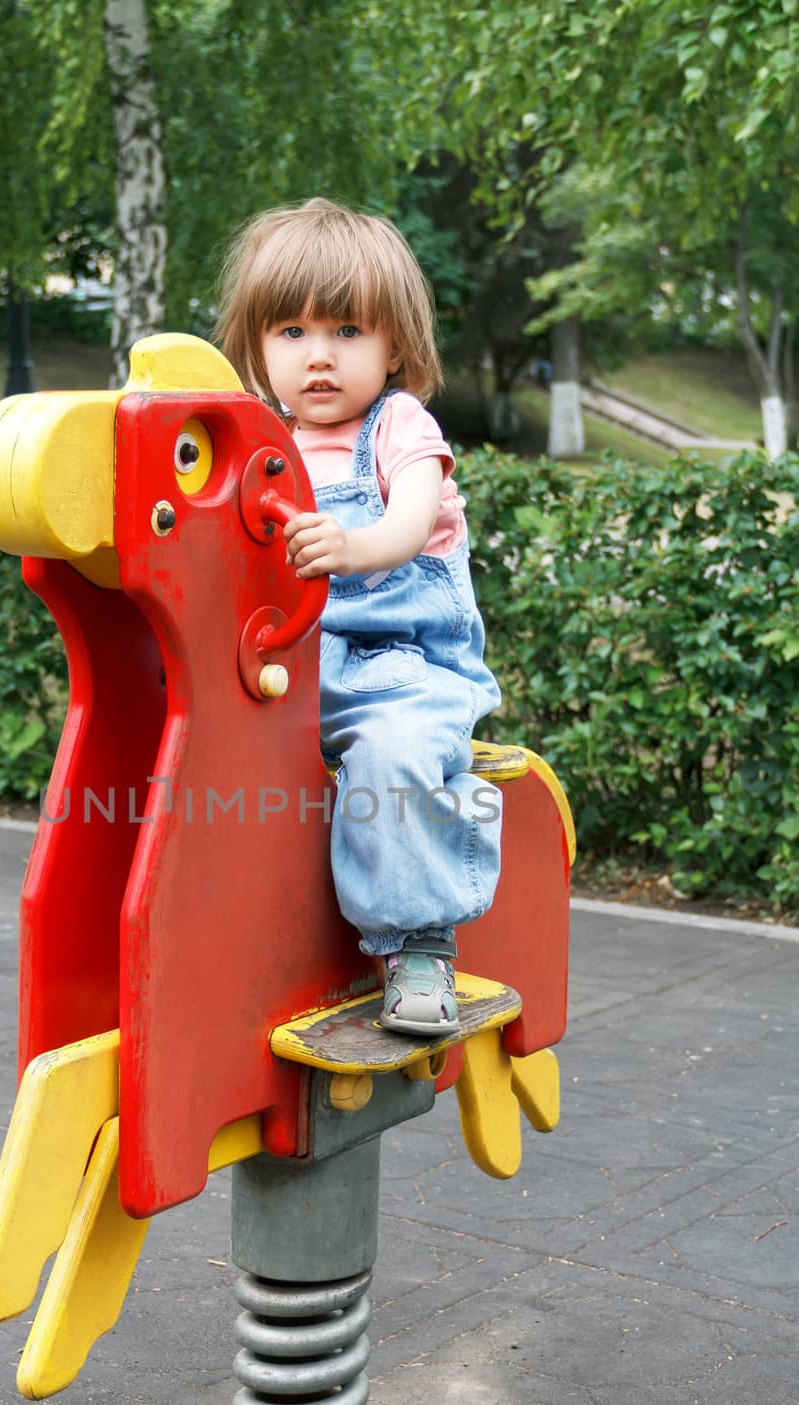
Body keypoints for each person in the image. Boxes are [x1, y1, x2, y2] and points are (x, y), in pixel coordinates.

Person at [215, 198, 502, 1037]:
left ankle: (418, 939)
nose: (318, 357)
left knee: (393, 751)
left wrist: (354, 543)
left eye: (346, 332)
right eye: (291, 332)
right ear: (255, 347)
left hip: (398, 665)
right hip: (286, 667)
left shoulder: (397, 427)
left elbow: (411, 522)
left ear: (394, 347)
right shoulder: (255, 440)